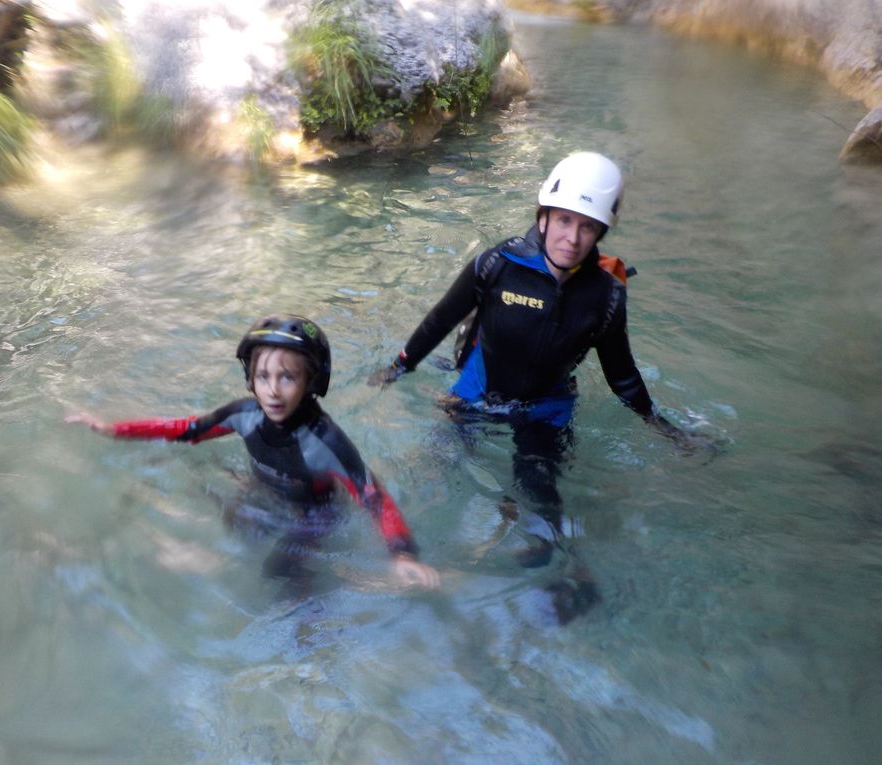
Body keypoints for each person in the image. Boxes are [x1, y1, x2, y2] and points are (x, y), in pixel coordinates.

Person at [368, 151, 710, 607]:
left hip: (546, 409)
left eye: (587, 226)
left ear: (600, 232)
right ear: (543, 216)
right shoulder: (496, 265)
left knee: (541, 493)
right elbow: (441, 319)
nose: (572, 237)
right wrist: (399, 366)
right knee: (436, 472)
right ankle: (406, 563)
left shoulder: (604, 295)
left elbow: (620, 371)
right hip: (476, 394)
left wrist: (660, 425)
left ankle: (552, 576)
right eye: (564, 220)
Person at [69, 314, 440, 593]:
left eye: (288, 377)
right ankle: (206, 558)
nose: (273, 391)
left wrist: (401, 554)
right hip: (261, 490)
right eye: (263, 377)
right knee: (232, 521)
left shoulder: (325, 442)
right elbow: (188, 430)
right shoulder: (244, 416)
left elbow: (373, 498)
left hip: (315, 514)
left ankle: (311, 632)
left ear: (311, 382)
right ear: (251, 379)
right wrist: (114, 430)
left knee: (280, 573)